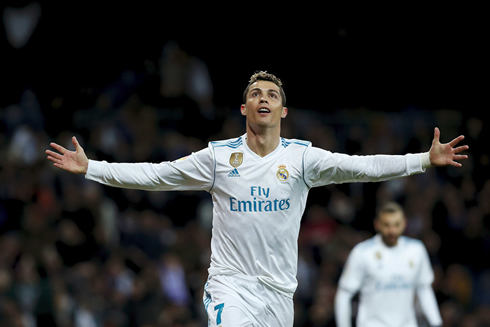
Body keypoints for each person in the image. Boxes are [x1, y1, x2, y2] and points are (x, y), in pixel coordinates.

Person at [46, 71, 468, 327]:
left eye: (272, 95)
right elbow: (157, 175)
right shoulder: (217, 158)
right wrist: (93, 168)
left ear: (283, 111)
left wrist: (423, 160)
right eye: (255, 93)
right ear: (244, 108)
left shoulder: (303, 158)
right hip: (231, 285)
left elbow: (363, 166)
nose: (263, 98)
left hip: (279, 295)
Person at [334, 202, 443, 327]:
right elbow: (344, 293)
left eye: (396, 224)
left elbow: (424, 288)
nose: (392, 230)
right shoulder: (362, 252)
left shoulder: (416, 250)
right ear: (377, 224)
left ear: (404, 223)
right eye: (387, 225)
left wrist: (436, 323)